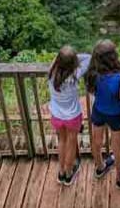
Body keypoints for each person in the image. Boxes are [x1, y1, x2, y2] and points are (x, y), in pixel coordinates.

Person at [85, 40, 120, 188]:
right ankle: (119, 176)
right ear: (113, 57)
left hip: (98, 110)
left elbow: (92, 91)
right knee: (117, 146)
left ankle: (99, 167)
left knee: (96, 141)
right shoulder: (119, 77)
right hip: (116, 113)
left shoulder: (92, 74)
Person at [48, 45, 90, 185]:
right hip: (72, 116)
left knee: (62, 141)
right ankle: (68, 173)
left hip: (57, 115)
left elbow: (56, 59)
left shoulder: (51, 72)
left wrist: (64, 58)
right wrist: (75, 58)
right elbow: (89, 58)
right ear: (73, 63)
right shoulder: (75, 74)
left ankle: (61, 172)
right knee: (71, 143)